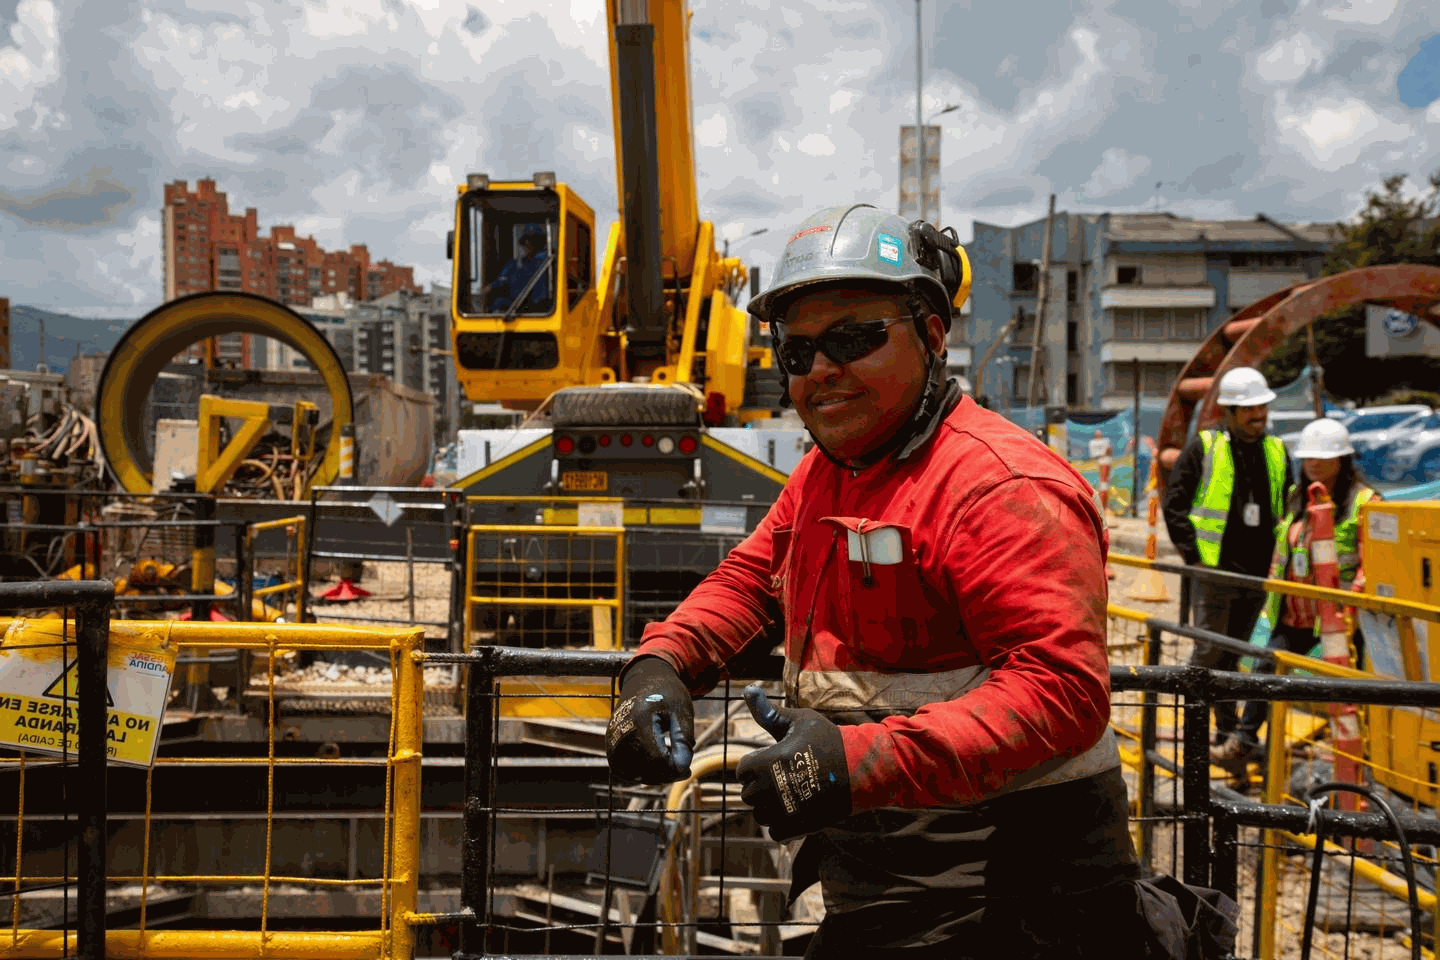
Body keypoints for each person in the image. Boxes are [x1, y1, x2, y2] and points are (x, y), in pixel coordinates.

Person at [605, 204, 1210, 958]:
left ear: (930, 333)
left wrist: (853, 763)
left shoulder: (999, 485)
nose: (822, 368)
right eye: (797, 352)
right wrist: (658, 670)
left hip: (1018, 905)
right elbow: (751, 580)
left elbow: (1060, 690)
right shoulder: (831, 475)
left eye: (854, 338)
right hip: (891, 888)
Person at [1227, 418, 1379, 762]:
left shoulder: (1364, 501)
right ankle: (1244, 742)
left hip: (1338, 614)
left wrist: (1350, 604)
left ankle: (1354, 751)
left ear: (1341, 460)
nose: (1312, 465)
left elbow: (1371, 562)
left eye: (1320, 458)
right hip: (1295, 610)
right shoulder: (1298, 497)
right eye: (1308, 458)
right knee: (1266, 668)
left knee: (1345, 681)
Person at [1161, 366, 1292, 761]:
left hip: (1256, 574)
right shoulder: (1205, 446)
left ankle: (1226, 731)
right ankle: (1196, 726)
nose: (1259, 417)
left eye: (1262, 409)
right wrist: (1196, 559)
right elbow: (1175, 505)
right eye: (1250, 410)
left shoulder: (1276, 450)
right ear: (1230, 411)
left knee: (1233, 654)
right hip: (1215, 572)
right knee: (1208, 651)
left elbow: (1286, 507)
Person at [485, 229, 553, 313]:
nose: (526, 245)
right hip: (520, 308)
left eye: (533, 241)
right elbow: (502, 279)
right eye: (525, 242)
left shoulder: (547, 262)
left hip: (539, 309)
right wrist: (489, 288)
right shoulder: (517, 264)